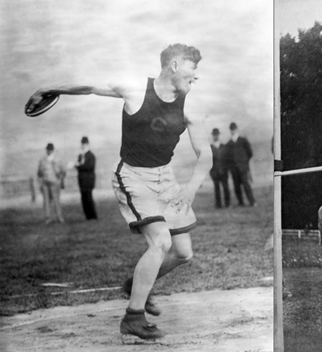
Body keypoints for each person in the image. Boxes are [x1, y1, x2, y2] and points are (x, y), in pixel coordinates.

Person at [27, 43, 211, 340]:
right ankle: (133, 317)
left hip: (166, 179)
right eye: (193, 68)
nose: (196, 76)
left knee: (184, 253)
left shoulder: (191, 106)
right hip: (134, 176)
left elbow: (207, 156)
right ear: (174, 65)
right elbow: (88, 86)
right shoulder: (136, 88)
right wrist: (49, 88)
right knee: (161, 243)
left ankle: (136, 285)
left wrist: (189, 190)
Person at [226, 122, 256, 207]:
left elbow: (250, 153)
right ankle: (241, 202)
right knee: (236, 186)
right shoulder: (229, 143)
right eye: (231, 129)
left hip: (243, 167)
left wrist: (244, 162)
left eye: (234, 129)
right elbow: (227, 156)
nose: (232, 131)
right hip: (234, 169)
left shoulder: (243, 140)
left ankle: (252, 201)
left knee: (246, 184)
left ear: (237, 129)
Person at [37, 143, 66, 224]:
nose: (49, 151)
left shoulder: (57, 159)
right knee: (46, 201)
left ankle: (59, 217)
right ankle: (47, 218)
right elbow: (39, 172)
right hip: (45, 183)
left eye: (50, 149)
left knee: (56, 201)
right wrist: (41, 180)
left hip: (55, 183)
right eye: (48, 149)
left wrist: (60, 179)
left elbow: (63, 171)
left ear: (53, 150)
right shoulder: (43, 160)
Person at [74, 136, 97, 220]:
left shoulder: (91, 156)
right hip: (82, 180)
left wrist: (79, 166)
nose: (83, 145)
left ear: (87, 144)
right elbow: (80, 166)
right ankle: (88, 216)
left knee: (89, 198)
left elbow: (89, 167)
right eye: (82, 144)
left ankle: (93, 216)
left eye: (84, 144)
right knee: (84, 198)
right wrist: (78, 165)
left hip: (88, 180)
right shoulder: (80, 156)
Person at [209, 128, 230, 208]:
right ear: (212, 136)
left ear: (219, 135)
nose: (215, 136)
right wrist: (211, 172)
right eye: (214, 135)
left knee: (226, 187)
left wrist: (226, 169)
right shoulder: (210, 148)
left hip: (224, 171)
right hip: (215, 172)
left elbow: (227, 160)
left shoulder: (223, 146)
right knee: (216, 188)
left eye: (216, 135)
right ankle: (218, 205)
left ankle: (227, 203)